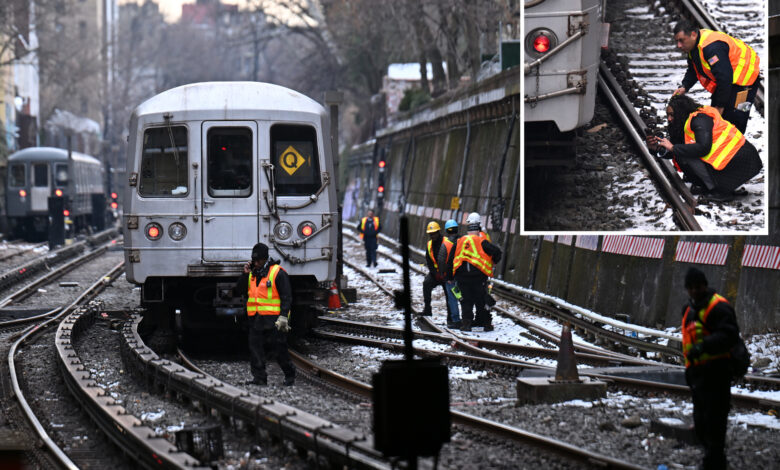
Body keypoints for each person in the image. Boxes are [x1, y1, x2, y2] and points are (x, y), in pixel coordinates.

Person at [647, 94, 762, 202]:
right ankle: (715, 186)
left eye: (672, 115)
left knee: (685, 156)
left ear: (681, 112)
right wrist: (655, 149)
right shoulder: (683, 124)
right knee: (682, 152)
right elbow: (675, 150)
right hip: (731, 160)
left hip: (744, 160)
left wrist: (673, 148)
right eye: (668, 115)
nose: (669, 119)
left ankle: (719, 191)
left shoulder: (699, 119)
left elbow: (703, 148)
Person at [681, 268, 740, 470]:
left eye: (698, 287)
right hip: (697, 374)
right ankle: (711, 456)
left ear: (705, 286)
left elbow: (729, 335)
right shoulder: (688, 310)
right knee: (701, 420)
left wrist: (705, 346)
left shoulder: (718, 307)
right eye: (691, 288)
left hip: (717, 372)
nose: (695, 291)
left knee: (715, 419)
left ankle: (714, 461)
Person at [672, 21, 760, 133]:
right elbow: (694, 69)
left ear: (693, 34)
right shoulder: (694, 47)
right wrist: (685, 86)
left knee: (737, 117)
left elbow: (724, 77)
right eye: (677, 41)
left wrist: (720, 106)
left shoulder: (711, 48)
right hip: (729, 79)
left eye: (681, 40)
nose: (678, 46)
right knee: (717, 118)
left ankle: (736, 145)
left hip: (746, 79)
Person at [232, 243, 296, 386]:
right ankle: (259, 378)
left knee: (279, 349)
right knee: (255, 349)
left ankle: (289, 374)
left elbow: (286, 296)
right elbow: (240, 290)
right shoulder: (252, 274)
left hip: (274, 320)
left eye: (258, 260)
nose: (256, 263)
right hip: (256, 319)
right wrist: (245, 273)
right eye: (254, 260)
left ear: (265, 258)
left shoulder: (277, 273)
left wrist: (284, 316)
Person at [451, 212, 501, 332]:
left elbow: (451, 259)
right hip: (479, 277)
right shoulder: (483, 239)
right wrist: (493, 262)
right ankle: (486, 323)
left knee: (466, 302)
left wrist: (449, 275)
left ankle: (467, 324)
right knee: (482, 300)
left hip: (463, 278)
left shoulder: (461, 241)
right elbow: (496, 252)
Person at [421, 221, 456, 325]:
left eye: (434, 233)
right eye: (430, 234)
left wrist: (446, 274)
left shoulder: (447, 242)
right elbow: (429, 261)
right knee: (426, 283)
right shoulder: (429, 245)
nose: (432, 236)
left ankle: (451, 317)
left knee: (449, 294)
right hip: (436, 274)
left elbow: (452, 259)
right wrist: (435, 273)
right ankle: (427, 309)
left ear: (438, 232)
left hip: (447, 274)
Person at [442, 219, 461, 328]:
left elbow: (442, 261)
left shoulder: (446, 244)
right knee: (464, 298)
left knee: (453, 298)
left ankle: (456, 320)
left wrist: (444, 275)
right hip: (463, 275)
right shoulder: (463, 241)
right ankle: (468, 319)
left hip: (451, 276)